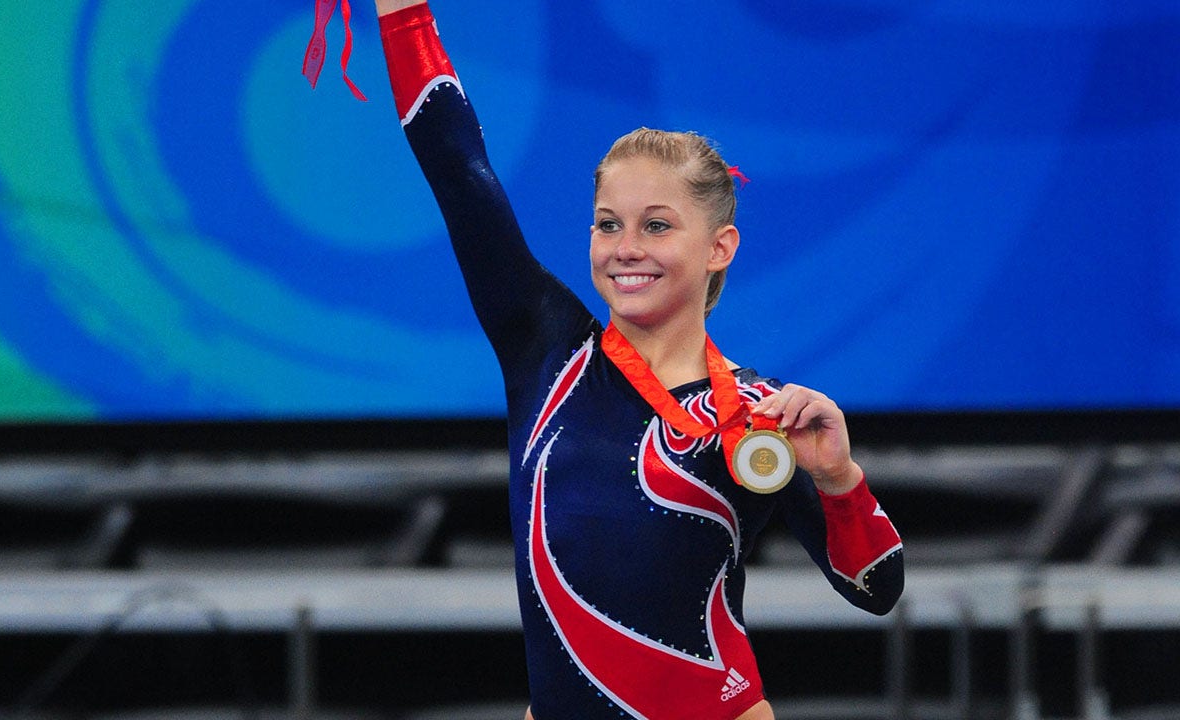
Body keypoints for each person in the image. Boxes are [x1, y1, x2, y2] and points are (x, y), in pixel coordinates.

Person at [371, 2, 905, 717]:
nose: (626, 248)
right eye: (608, 224)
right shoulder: (545, 352)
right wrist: (402, 12)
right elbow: (457, 166)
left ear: (719, 247)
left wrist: (838, 477)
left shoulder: (758, 416)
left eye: (657, 226)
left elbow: (876, 590)